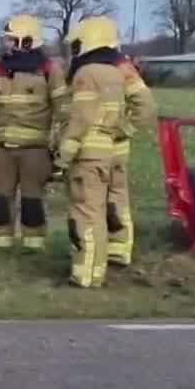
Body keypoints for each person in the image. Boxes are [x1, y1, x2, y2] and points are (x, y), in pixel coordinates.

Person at [0, 13, 61, 251]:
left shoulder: (49, 70)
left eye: (11, 39)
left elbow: (64, 109)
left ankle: (33, 244)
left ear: (26, 41)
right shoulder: (0, 69)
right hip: (2, 149)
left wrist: (61, 145)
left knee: (32, 200)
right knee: (0, 199)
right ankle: (0, 243)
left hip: (35, 150)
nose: (6, 44)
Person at [53, 15, 129, 288]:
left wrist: (62, 157)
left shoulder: (87, 74)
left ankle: (83, 276)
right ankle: (96, 273)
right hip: (106, 152)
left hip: (86, 155)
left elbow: (81, 119)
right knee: (96, 215)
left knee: (84, 216)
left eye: (76, 45)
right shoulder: (116, 73)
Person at [105, 53, 158, 268]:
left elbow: (145, 106)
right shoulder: (120, 67)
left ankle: (114, 249)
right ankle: (113, 249)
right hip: (106, 144)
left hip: (110, 146)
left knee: (105, 198)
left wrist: (123, 130)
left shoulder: (92, 68)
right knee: (110, 197)